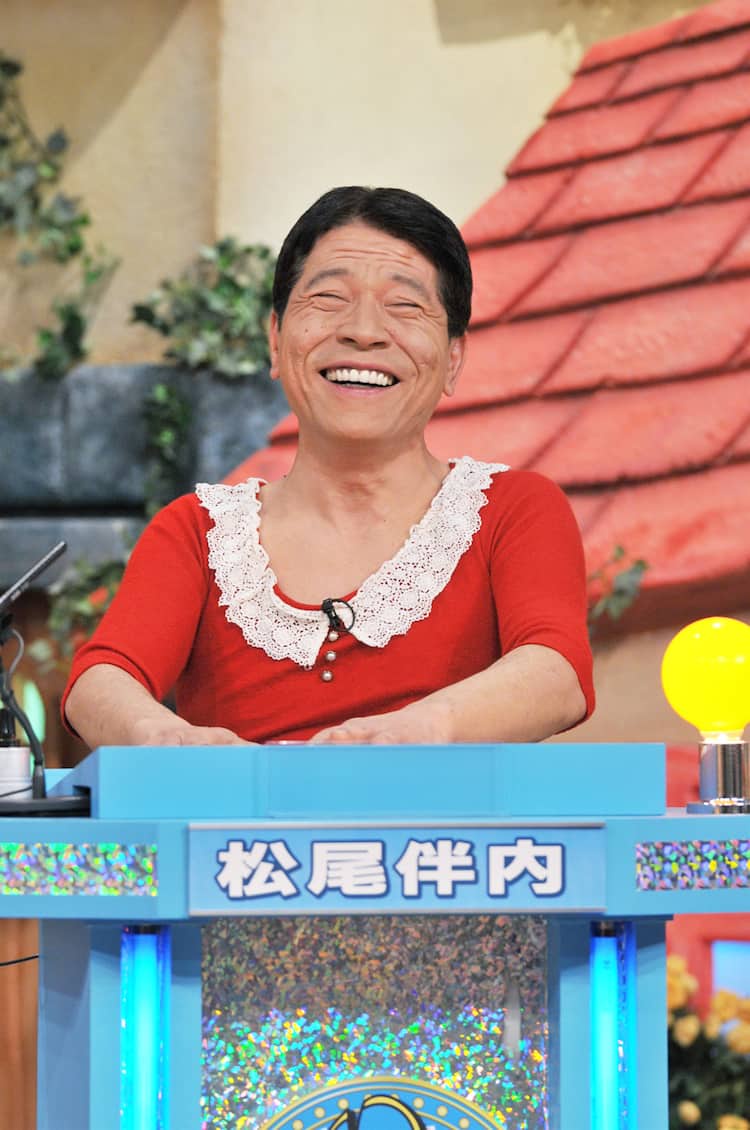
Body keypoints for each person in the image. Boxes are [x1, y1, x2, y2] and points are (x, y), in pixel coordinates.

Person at [63, 186, 594, 748]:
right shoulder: (199, 531)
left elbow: (555, 673)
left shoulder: (512, 511)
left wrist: (416, 732)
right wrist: (162, 738)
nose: (363, 331)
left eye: (405, 306)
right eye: (329, 299)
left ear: (452, 360)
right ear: (275, 339)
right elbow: (100, 681)